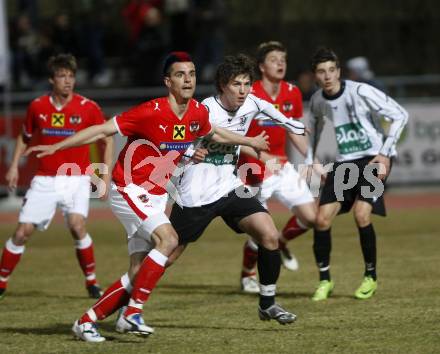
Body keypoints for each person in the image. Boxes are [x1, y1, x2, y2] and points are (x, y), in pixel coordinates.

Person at [28, 52, 269, 342]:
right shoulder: (149, 111)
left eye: (192, 73)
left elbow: (214, 132)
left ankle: (86, 321)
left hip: (155, 194)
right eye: (180, 74)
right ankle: (132, 313)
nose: (188, 79)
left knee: (138, 270)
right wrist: (57, 148)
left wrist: (247, 142)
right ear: (168, 81)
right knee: (169, 239)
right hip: (128, 188)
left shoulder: (196, 111)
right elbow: (102, 129)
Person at [167, 54, 305, 324]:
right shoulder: (205, 108)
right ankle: (130, 300)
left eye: (246, 84)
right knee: (168, 253)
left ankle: (267, 303)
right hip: (197, 191)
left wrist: (295, 125)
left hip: (230, 186)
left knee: (269, 235)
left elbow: (277, 114)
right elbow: (194, 137)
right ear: (222, 85)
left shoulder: (252, 101)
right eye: (236, 85)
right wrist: (189, 154)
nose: (243, 91)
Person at [1, 54, 113, 300]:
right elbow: (25, 136)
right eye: (62, 76)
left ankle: (92, 282)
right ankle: (2, 281)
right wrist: (14, 166)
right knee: (22, 232)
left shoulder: (89, 108)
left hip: (77, 178)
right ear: (52, 80)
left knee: (77, 225)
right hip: (45, 179)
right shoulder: (38, 106)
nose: (67, 81)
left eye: (71, 76)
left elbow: (107, 139)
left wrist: (104, 177)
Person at [306, 48, 408, 301]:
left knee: (361, 214)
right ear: (315, 76)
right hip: (344, 165)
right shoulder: (318, 100)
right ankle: (325, 281)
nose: (327, 76)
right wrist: (313, 161)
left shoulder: (360, 91)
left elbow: (400, 115)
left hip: (373, 158)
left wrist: (385, 153)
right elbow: (314, 129)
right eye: (321, 71)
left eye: (332, 70)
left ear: (339, 71)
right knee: (321, 219)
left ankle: (370, 277)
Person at [236, 41, 317, 293]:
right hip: (252, 169)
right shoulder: (248, 93)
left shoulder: (292, 92)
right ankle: (248, 274)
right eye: (274, 59)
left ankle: (280, 242)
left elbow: (295, 131)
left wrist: (312, 157)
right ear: (261, 67)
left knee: (311, 218)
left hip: (281, 167)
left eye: (283, 59)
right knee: (260, 232)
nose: (280, 63)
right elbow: (236, 137)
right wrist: (264, 156)